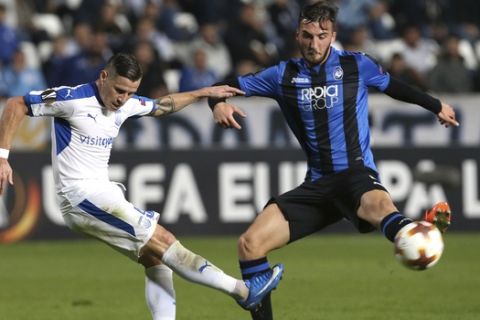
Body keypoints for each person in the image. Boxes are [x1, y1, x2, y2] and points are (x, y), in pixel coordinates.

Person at [207, 1, 458, 319]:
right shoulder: (281, 75)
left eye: (322, 36)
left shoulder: (357, 65)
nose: (315, 44)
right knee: (249, 244)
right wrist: (217, 103)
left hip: (355, 174)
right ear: (298, 35)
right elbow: (219, 88)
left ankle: (419, 235)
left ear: (333, 35)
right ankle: (418, 231)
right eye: (308, 36)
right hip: (317, 185)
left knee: (381, 208)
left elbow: (395, 87)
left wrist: (436, 105)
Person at [0, 53, 284, 319]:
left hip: (102, 193)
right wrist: (3, 158)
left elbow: (162, 106)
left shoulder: (125, 105)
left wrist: (202, 93)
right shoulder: (72, 99)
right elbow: (16, 104)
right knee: (166, 241)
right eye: (119, 90)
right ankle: (243, 292)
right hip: (81, 197)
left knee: (155, 259)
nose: (123, 99)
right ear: (103, 77)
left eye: (130, 92)